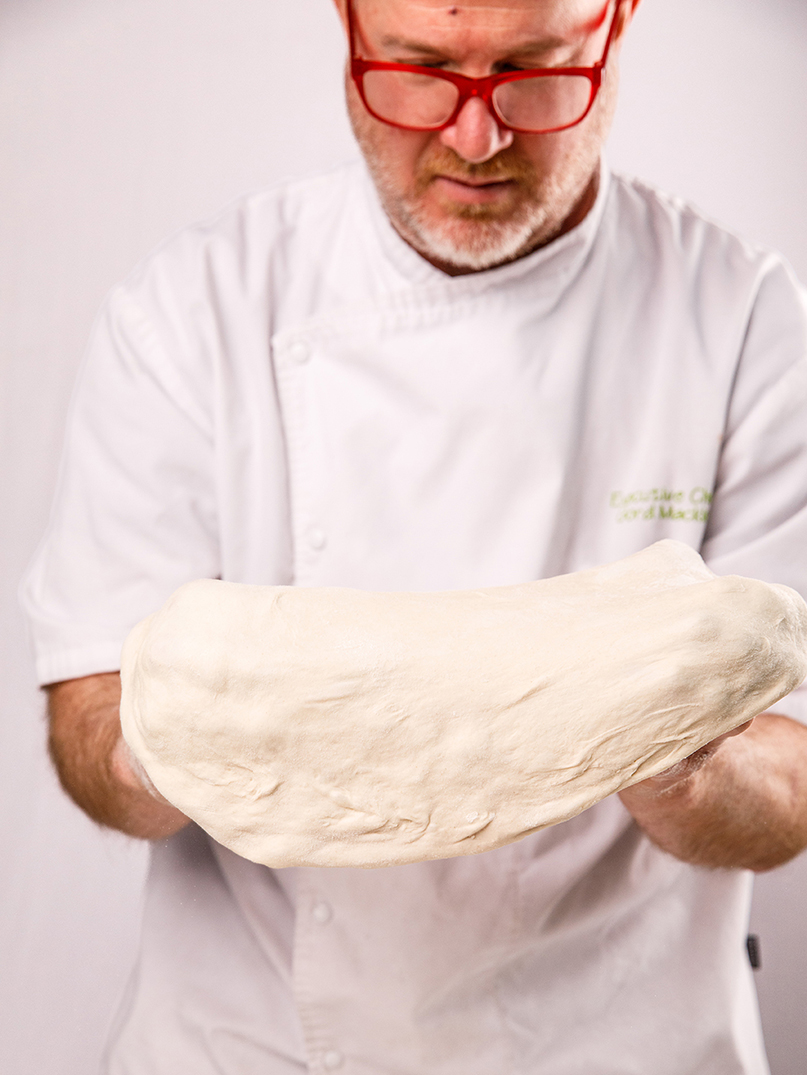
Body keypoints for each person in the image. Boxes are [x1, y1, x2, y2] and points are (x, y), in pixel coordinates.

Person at [21, 0, 807, 1071]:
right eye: (421, 67)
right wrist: (168, 740)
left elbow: (789, 780)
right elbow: (89, 716)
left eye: (531, 70)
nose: (474, 137)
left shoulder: (745, 320)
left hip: (620, 1040)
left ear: (617, 23)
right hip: (255, 1043)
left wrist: (669, 749)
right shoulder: (189, 310)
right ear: (347, 25)